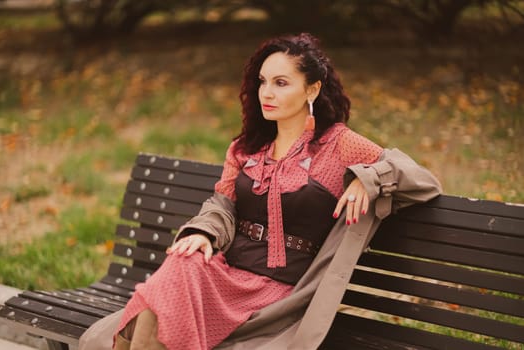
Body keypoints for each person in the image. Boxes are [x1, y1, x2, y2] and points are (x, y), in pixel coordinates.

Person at [78, 32, 442, 350]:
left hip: (279, 294)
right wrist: (204, 232)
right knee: (182, 265)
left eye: (281, 83)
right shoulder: (245, 148)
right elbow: (221, 205)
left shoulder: (338, 145)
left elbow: (424, 181)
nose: (267, 92)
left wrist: (370, 178)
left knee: (161, 307)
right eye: (263, 82)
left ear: (311, 88)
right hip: (226, 277)